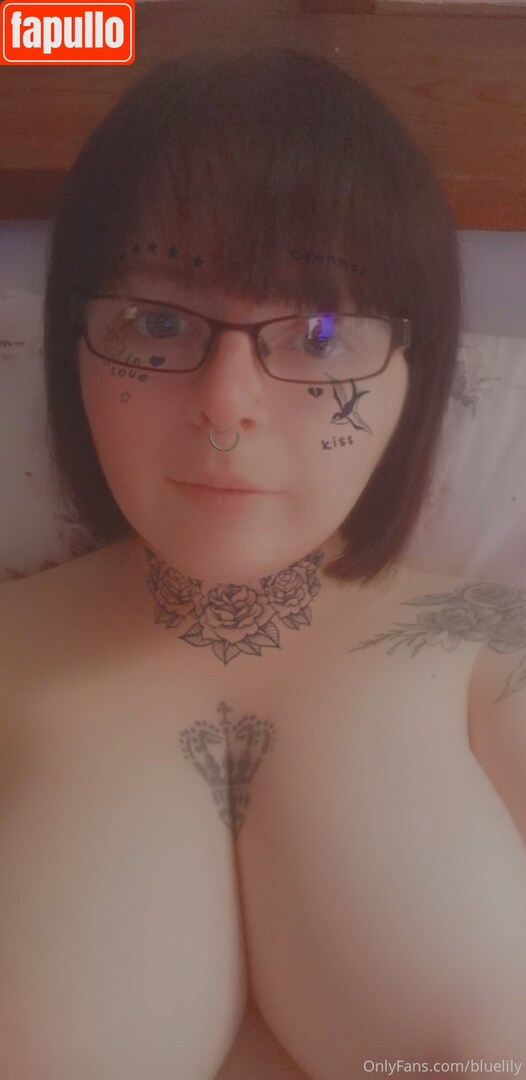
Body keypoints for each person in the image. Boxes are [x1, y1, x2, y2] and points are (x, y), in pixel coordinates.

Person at [1, 45, 526, 1080]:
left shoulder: (491, 651)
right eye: (157, 322)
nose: (225, 404)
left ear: (414, 374)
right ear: (72, 346)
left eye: (321, 331)